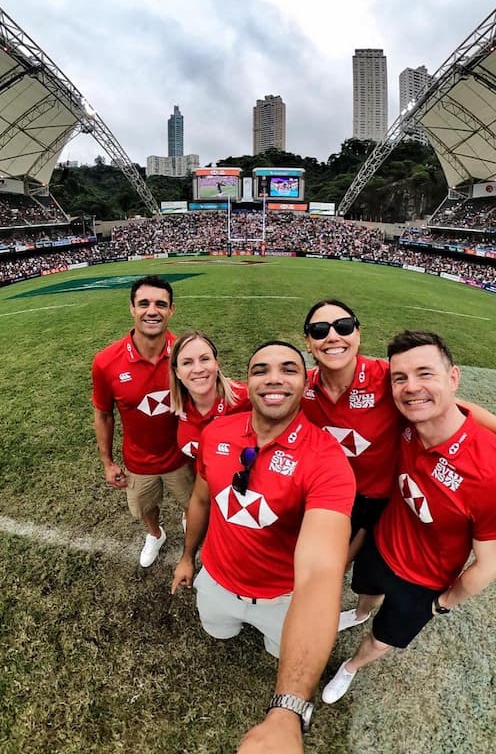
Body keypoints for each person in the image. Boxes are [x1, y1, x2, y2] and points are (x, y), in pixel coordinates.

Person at [301, 298, 496, 630]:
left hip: (375, 499)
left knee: (344, 561)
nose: (333, 336)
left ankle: (356, 609)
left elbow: (453, 406)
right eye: (320, 330)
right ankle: (347, 605)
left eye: (343, 327)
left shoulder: (387, 378)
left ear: (357, 333)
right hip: (331, 491)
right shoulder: (303, 386)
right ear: (308, 342)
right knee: (325, 558)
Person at [321, 329, 496, 704]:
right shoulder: (403, 422)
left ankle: (350, 667)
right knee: (366, 590)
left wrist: (442, 603)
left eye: (425, 373)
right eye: (400, 378)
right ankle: (360, 612)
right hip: (381, 543)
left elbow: (490, 565)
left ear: (453, 378)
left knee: (383, 639)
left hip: (424, 583)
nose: (411, 387)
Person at [172, 341, 355, 753]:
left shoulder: (326, 460)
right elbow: (201, 500)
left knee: (279, 654)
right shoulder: (216, 433)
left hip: (281, 601)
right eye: (261, 370)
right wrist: (187, 558)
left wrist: (288, 709)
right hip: (215, 584)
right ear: (247, 382)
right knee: (217, 633)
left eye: (289, 369)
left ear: (305, 382)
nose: (274, 378)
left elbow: (321, 572)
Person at [92, 275, 193, 568]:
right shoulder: (106, 362)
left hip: (183, 457)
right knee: (146, 508)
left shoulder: (188, 354)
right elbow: (103, 413)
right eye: (144, 303)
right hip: (138, 461)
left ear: (171, 310)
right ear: (132, 309)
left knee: (193, 503)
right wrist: (108, 462)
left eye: (161, 304)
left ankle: (190, 522)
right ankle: (156, 534)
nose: (152, 311)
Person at [170, 329, 250, 462]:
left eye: (205, 359)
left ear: (216, 364)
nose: (198, 369)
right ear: (177, 372)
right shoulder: (180, 403)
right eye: (187, 363)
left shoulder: (246, 397)